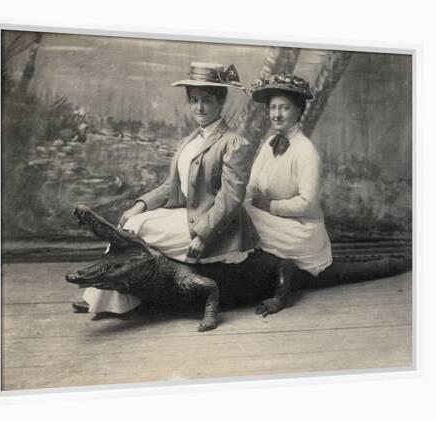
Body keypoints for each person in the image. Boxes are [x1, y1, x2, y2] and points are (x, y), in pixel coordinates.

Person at [73, 62, 257, 315]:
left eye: (207, 100)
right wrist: (140, 204)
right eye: (194, 101)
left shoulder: (233, 143)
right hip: (187, 214)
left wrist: (204, 235)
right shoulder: (190, 141)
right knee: (130, 222)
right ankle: (107, 298)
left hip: (218, 226)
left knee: (135, 229)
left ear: (220, 102)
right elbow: (173, 184)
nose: (200, 108)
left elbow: (231, 198)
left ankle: (112, 300)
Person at [245, 73, 332, 315]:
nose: (277, 114)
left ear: (298, 111)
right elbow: (251, 185)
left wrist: (268, 206)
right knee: (236, 214)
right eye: (273, 107)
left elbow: (307, 203)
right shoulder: (271, 142)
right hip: (272, 221)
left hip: (301, 230)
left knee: (243, 222)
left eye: (284, 108)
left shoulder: (306, 152)